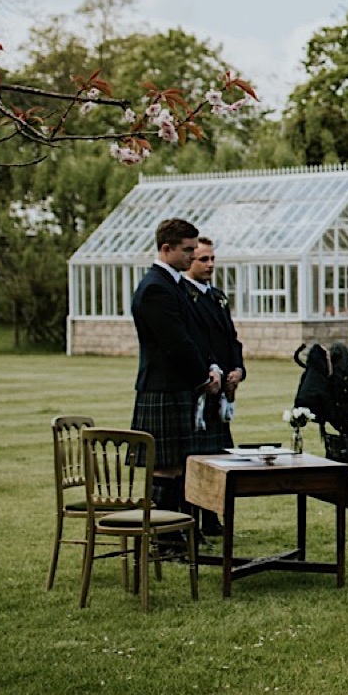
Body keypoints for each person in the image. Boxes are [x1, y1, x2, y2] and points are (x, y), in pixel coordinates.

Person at [130, 217, 219, 519]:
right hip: (163, 387)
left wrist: (211, 367)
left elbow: (194, 335)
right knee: (165, 467)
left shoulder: (174, 284)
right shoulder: (156, 288)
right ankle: (163, 534)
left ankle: (179, 529)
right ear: (166, 249)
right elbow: (176, 342)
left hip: (177, 386)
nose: (193, 256)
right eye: (188, 250)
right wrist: (203, 377)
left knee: (180, 464)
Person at [182, 234, 243, 536]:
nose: (210, 264)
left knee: (218, 456)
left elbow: (231, 338)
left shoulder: (218, 297)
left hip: (222, 388)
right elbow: (193, 341)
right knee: (196, 458)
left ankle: (211, 517)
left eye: (212, 259)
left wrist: (238, 369)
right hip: (200, 387)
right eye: (203, 259)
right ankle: (188, 519)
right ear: (189, 260)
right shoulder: (184, 296)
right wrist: (209, 372)